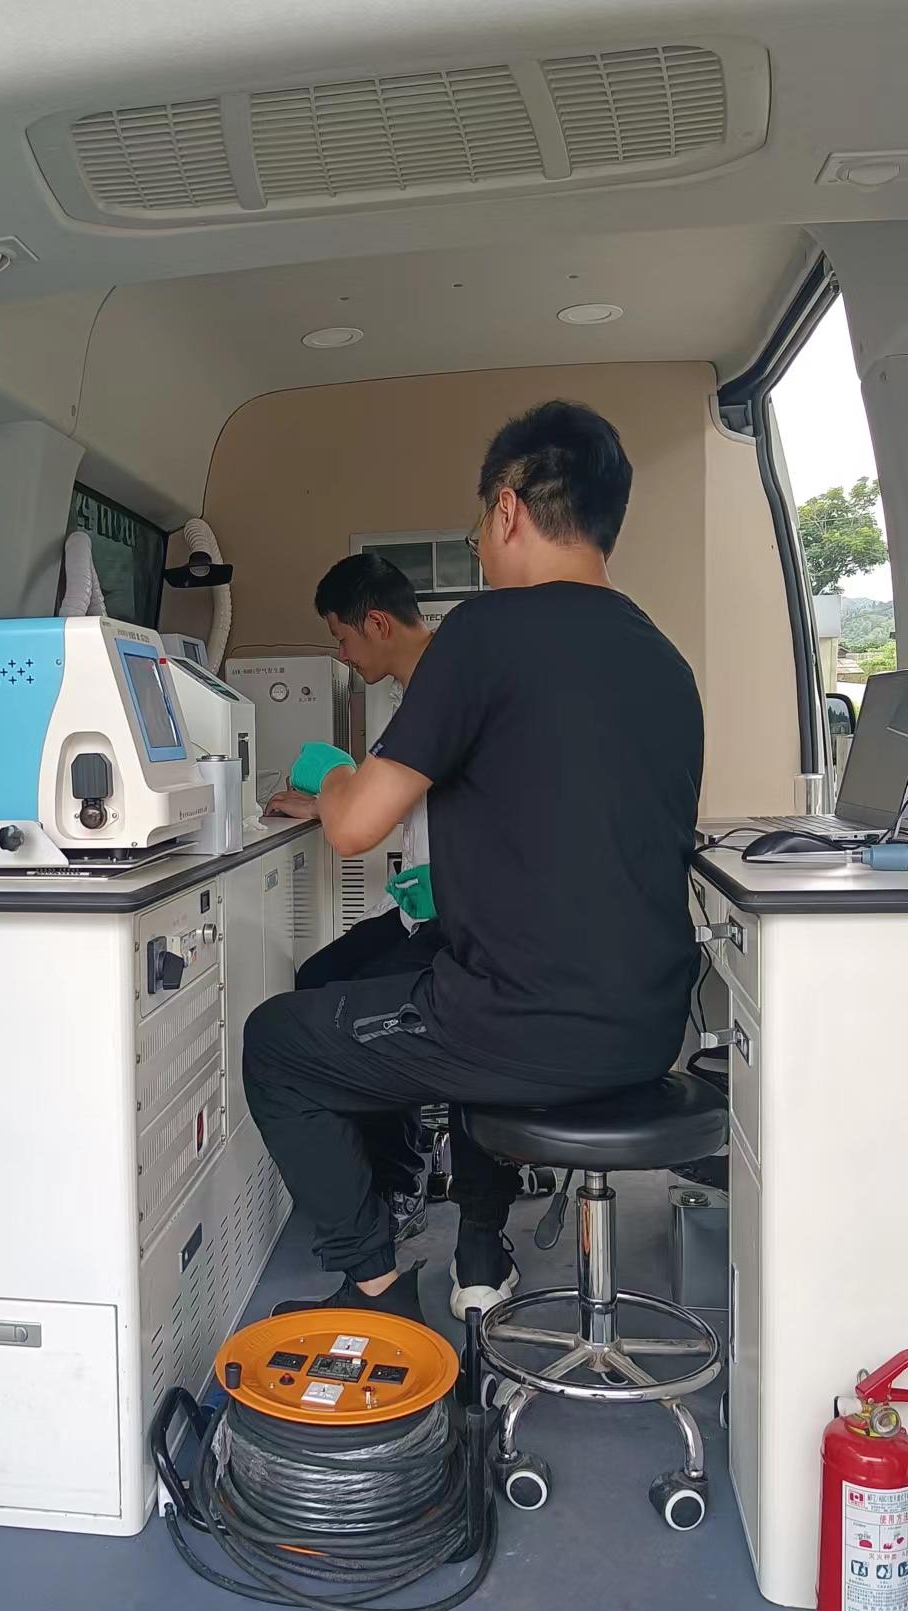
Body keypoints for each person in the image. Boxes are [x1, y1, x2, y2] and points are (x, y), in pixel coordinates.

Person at [242, 400, 703, 1324]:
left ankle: (375, 1285)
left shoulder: (484, 632)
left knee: (277, 1043)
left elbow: (354, 828)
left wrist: (330, 778)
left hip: (523, 1032)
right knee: (443, 974)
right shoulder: (664, 660)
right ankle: (476, 1245)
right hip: (653, 1031)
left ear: (508, 507)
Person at [265, 553, 440, 1242]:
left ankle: (398, 1181)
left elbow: (354, 833)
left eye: (343, 638)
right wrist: (325, 805)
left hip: (462, 924)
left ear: (377, 623)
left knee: (352, 1011)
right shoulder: (412, 692)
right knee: (319, 977)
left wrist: (334, 784)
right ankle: (371, 1169)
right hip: (422, 910)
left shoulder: (442, 690)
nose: (342, 655)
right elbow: (409, 800)